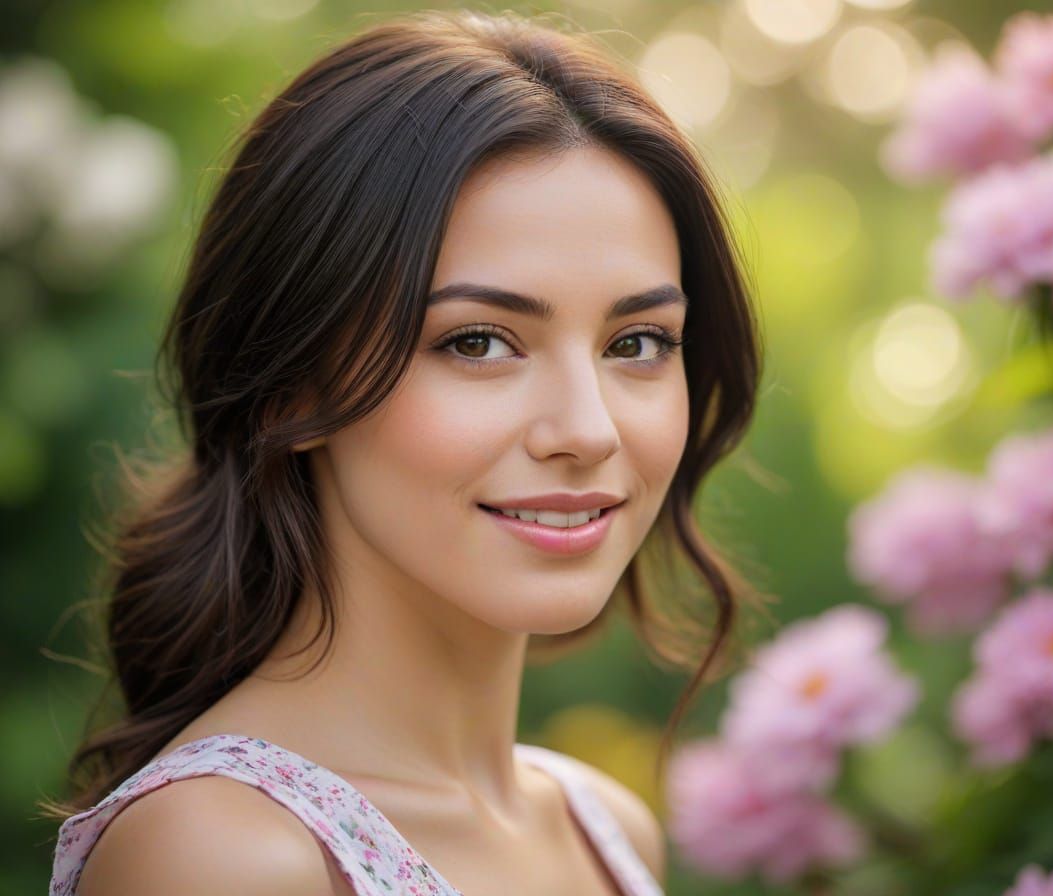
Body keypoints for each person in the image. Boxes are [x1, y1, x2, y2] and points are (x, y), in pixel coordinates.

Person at [43, 8, 764, 895]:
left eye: (638, 342)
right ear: (290, 380)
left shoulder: (605, 828)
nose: (587, 429)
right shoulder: (226, 856)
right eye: (478, 343)